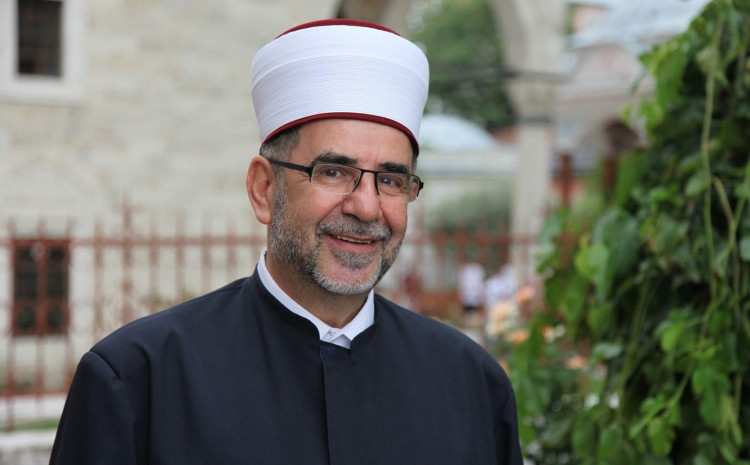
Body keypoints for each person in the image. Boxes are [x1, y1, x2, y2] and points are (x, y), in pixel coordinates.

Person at [49, 19, 523, 465]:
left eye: (391, 180)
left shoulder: (472, 384)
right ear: (264, 190)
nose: (366, 207)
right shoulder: (137, 380)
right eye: (333, 172)